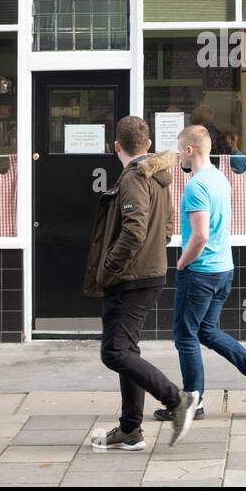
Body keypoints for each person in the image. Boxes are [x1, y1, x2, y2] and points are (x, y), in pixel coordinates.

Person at [82, 116, 198, 449]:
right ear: (146, 143)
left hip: (130, 277)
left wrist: (110, 265)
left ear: (116, 146)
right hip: (149, 272)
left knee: (114, 352)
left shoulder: (135, 177)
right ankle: (130, 429)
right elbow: (166, 227)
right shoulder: (159, 176)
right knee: (127, 350)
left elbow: (134, 228)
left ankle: (176, 400)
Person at [156, 124, 246, 422]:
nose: (177, 157)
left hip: (200, 271)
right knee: (207, 331)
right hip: (223, 269)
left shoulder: (196, 187)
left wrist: (182, 263)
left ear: (189, 150)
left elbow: (200, 236)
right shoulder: (219, 179)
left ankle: (193, 402)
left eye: (179, 149)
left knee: (185, 336)